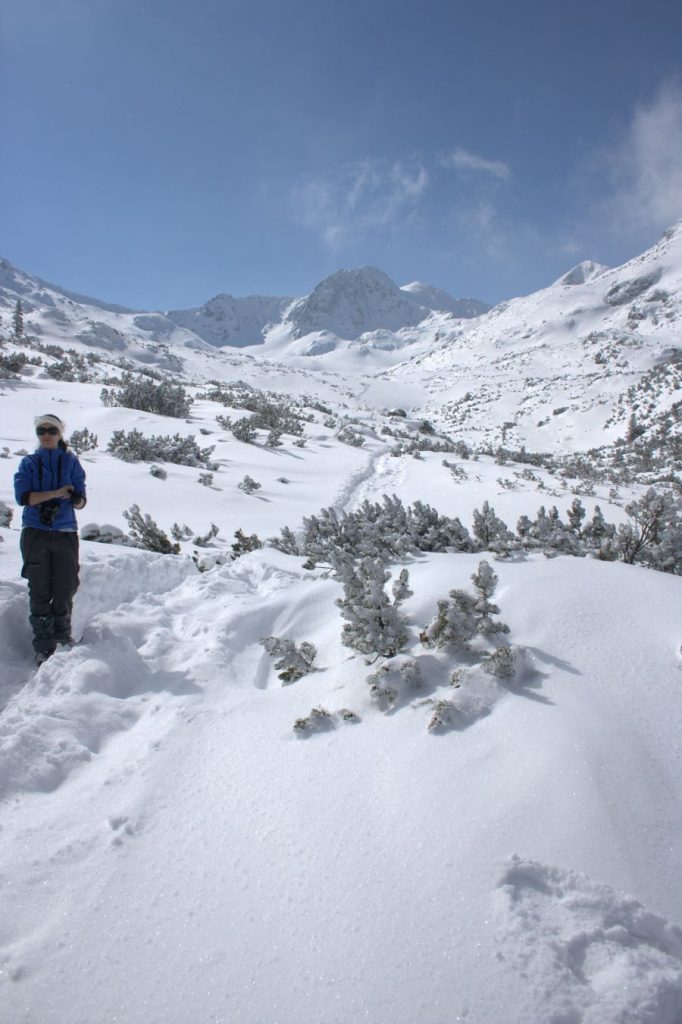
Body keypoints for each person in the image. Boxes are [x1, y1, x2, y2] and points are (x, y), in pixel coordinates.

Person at [14, 414, 87, 666]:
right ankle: (44, 646)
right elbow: (24, 497)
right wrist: (56, 494)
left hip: (65, 531)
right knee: (40, 588)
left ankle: (62, 636)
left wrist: (76, 498)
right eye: (41, 430)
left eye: (51, 430)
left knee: (66, 586)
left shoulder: (71, 462)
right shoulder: (29, 463)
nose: (46, 434)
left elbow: (81, 501)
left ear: (60, 434)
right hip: (35, 531)